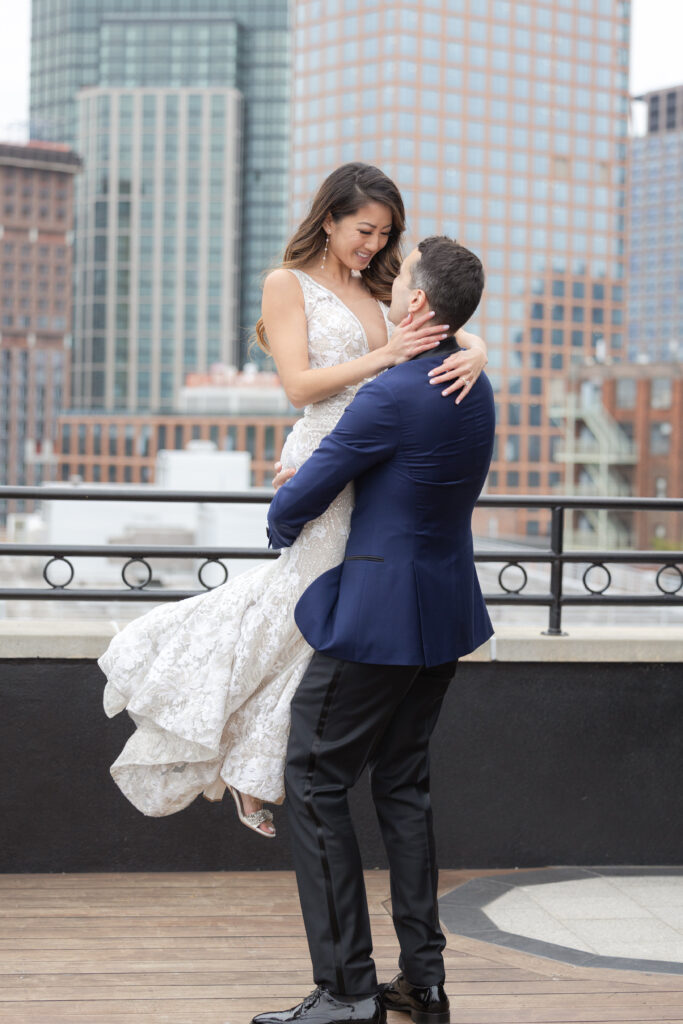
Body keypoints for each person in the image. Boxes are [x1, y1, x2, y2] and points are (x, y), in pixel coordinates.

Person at [98, 163, 488, 837]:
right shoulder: (287, 284)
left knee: (317, 621)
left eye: (386, 234)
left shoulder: (380, 288)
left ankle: (247, 763)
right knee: (309, 609)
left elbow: (436, 326)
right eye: (364, 230)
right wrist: (385, 353)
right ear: (329, 218)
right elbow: (299, 386)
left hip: (378, 461)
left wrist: (476, 348)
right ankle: (217, 729)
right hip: (326, 452)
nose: (373, 245)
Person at [253, 236, 494, 1024]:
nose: (390, 286)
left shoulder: (392, 393)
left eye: (404, 282)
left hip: (374, 623)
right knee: (402, 785)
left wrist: (280, 500)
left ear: (418, 305)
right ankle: (423, 983)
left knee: (315, 780)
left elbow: (301, 503)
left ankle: (346, 990)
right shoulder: (473, 381)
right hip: (444, 615)